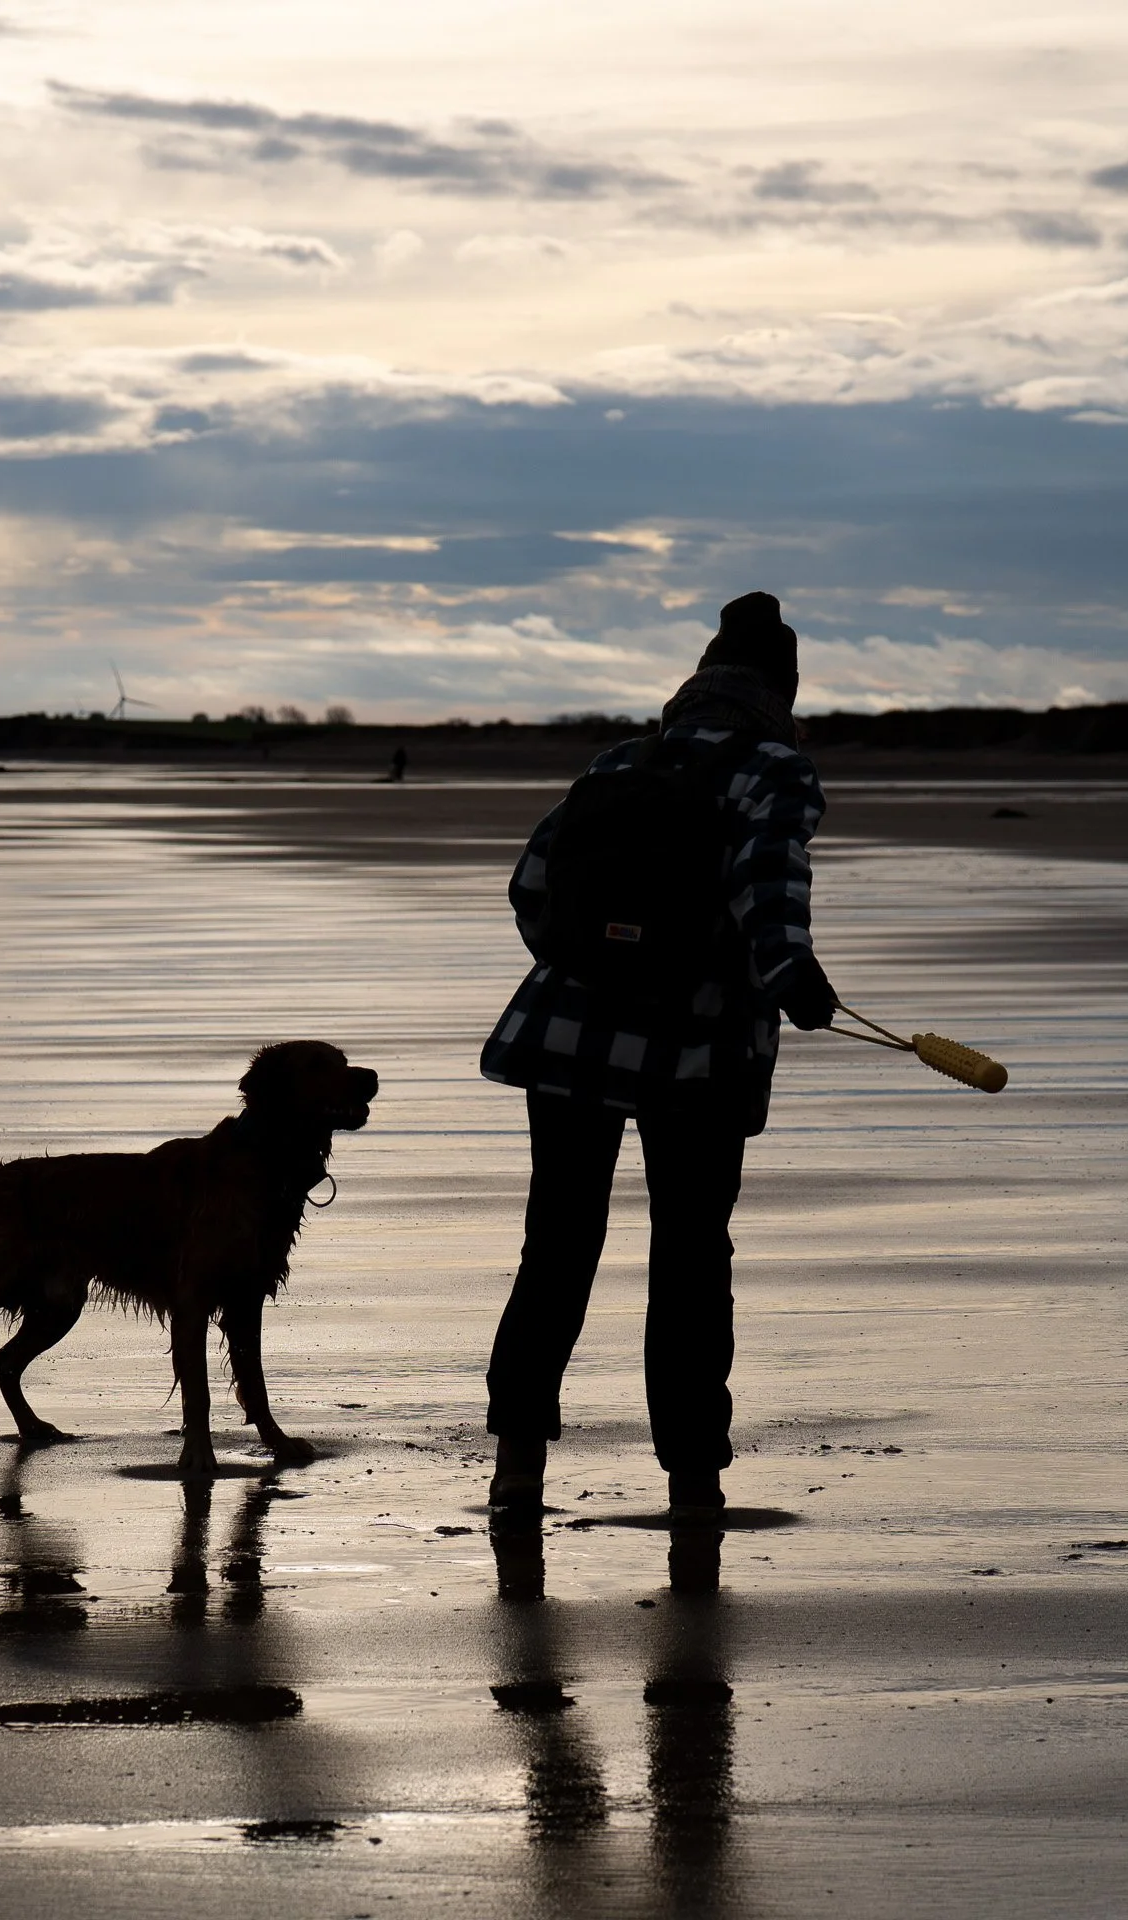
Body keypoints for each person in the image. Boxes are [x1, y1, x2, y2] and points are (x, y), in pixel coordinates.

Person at [479, 591, 837, 1522]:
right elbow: (769, 883)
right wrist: (788, 973)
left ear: (697, 680)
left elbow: (531, 891)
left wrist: (602, 968)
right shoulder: (775, 770)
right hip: (699, 1050)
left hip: (562, 1037)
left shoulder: (619, 761)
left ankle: (518, 1468)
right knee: (688, 1259)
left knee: (557, 1245)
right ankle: (692, 1480)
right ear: (782, 689)